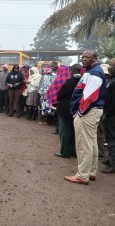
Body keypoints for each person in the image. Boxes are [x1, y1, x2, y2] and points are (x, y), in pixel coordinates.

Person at [64, 50, 106, 185]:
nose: (83, 59)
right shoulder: (91, 71)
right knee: (91, 143)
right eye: (82, 57)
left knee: (84, 144)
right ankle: (91, 172)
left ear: (94, 58)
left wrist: (79, 113)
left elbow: (89, 97)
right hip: (91, 112)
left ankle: (82, 176)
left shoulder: (95, 72)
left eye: (87, 57)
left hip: (87, 112)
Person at [55, 64, 82, 158]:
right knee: (75, 132)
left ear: (73, 71)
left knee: (65, 132)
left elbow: (60, 95)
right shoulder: (83, 81)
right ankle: (73, 152)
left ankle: (65, 152)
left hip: (66, 110)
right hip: (77, 110)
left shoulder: (70, 81)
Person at [101, 59, 115, 173]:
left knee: (111, 140)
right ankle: (110, 158)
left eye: (111, 65)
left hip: (111, 115)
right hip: (109, 113)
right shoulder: (112, 79)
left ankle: (113, 164)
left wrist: (107, 114)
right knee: (109, 138)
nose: (109, 67)